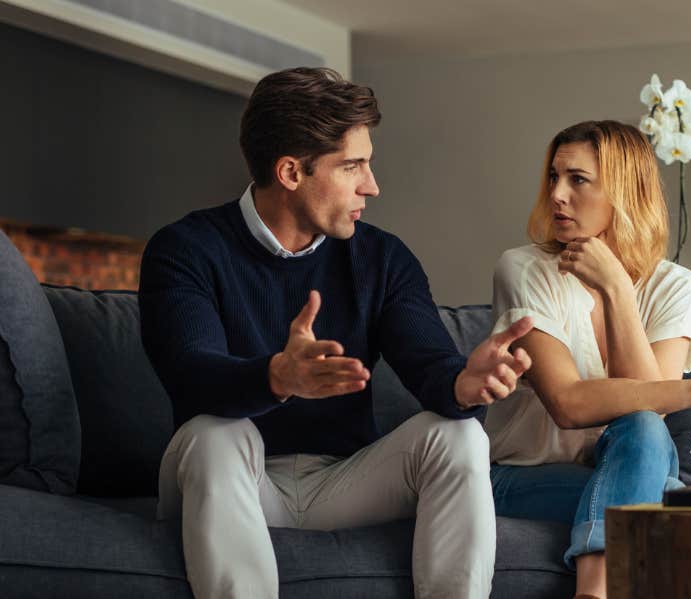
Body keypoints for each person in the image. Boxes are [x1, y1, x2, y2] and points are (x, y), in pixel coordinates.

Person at [138, 67, 533, 599]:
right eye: (353, 166)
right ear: (290, 172)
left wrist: (464, 384)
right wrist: (277, 376)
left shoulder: (381, 258)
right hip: (233, 479)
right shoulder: (184, 249)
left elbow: (428, 362)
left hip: (344, 480)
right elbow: (190, 373)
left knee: (458, 435)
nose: (372, 185)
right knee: (216, 433)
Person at [483, 120, 691, 599]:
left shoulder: (677, 287)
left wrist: (618, 288)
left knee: (643, 432)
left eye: (577, 180)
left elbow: (650, 413)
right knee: (674, 507)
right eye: (554, 177)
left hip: (625, 467)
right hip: (519, 475)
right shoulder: (521, 268)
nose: (557, 194)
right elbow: (567, 403)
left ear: (624, 191)